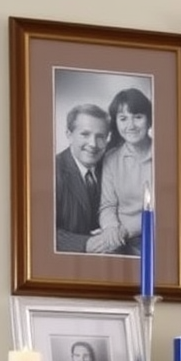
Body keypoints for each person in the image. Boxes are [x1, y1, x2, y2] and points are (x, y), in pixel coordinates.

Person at [54, 104, 127, 254]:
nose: (93, 144)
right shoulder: (51, 171)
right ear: (69, 134)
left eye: (100, 136)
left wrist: (113, 235)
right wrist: (86, 243)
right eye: (85, 134)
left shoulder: (112, 168)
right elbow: (40, 230)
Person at [98, 87, 153, 257]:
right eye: (123, 118)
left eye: (138, 117)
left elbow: (165, 210)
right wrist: (111, 228)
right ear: (116, 122)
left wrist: (123, 231)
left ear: (149, 120)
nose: (130, 125)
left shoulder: (168, 156)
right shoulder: (111, 158)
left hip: (152, 234)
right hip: (117, 236)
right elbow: (107, 205)